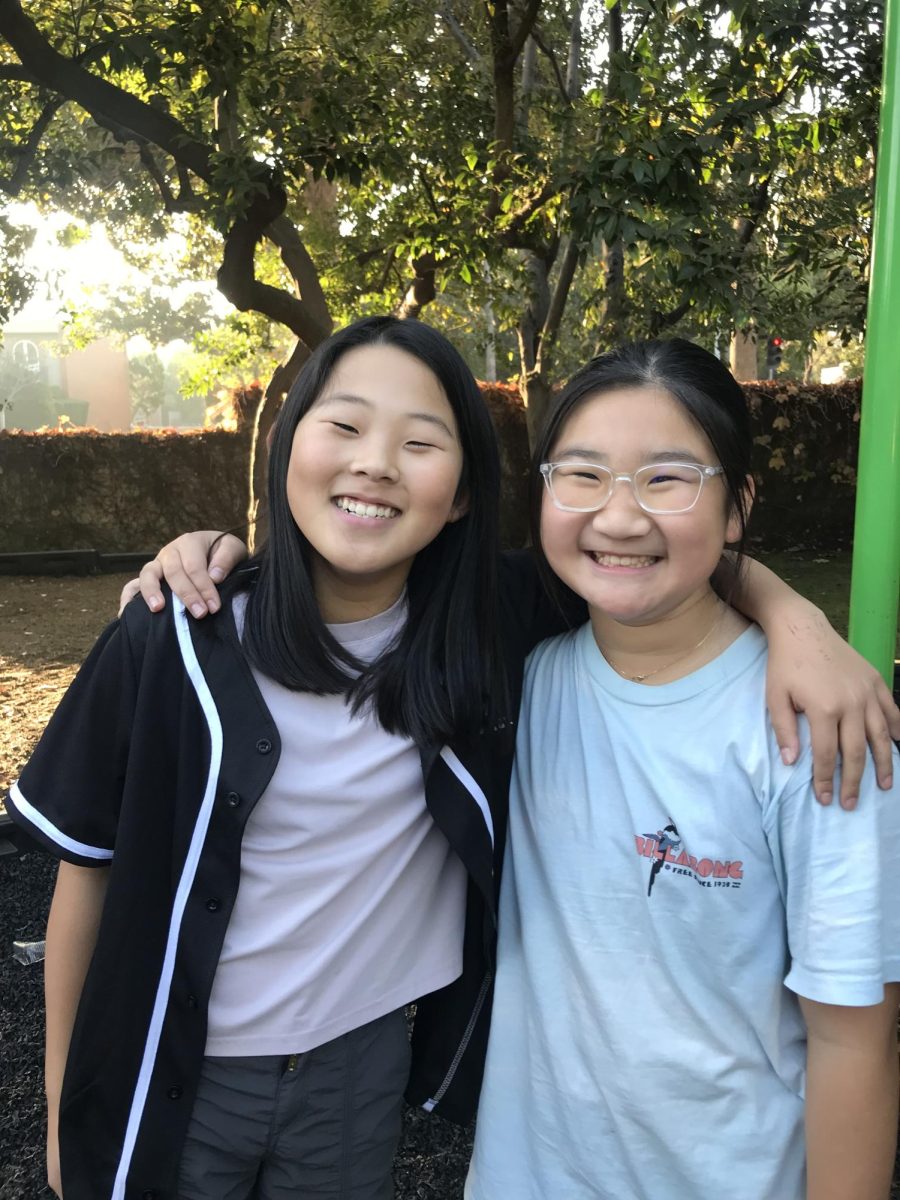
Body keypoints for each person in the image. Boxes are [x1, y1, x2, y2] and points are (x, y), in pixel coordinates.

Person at [21, 317, 894, 1200]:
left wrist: (797, 620)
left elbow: (656, 569)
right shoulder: (182, 637)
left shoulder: (488, 635)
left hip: (355, 1072)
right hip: (188, 1070)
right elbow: (86, 873)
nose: (375, 463)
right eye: (345, 426)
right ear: (287, 444)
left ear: (467, 490)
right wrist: (65, 1110)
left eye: (421, 442)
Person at [464, 339, 900, 1200]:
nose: (619, 517)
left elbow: (855, 1038)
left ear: (736, 506)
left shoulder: (817, 732)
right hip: (524, 1176)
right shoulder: (515, 674)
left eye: (667, 479)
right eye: (582, 475)